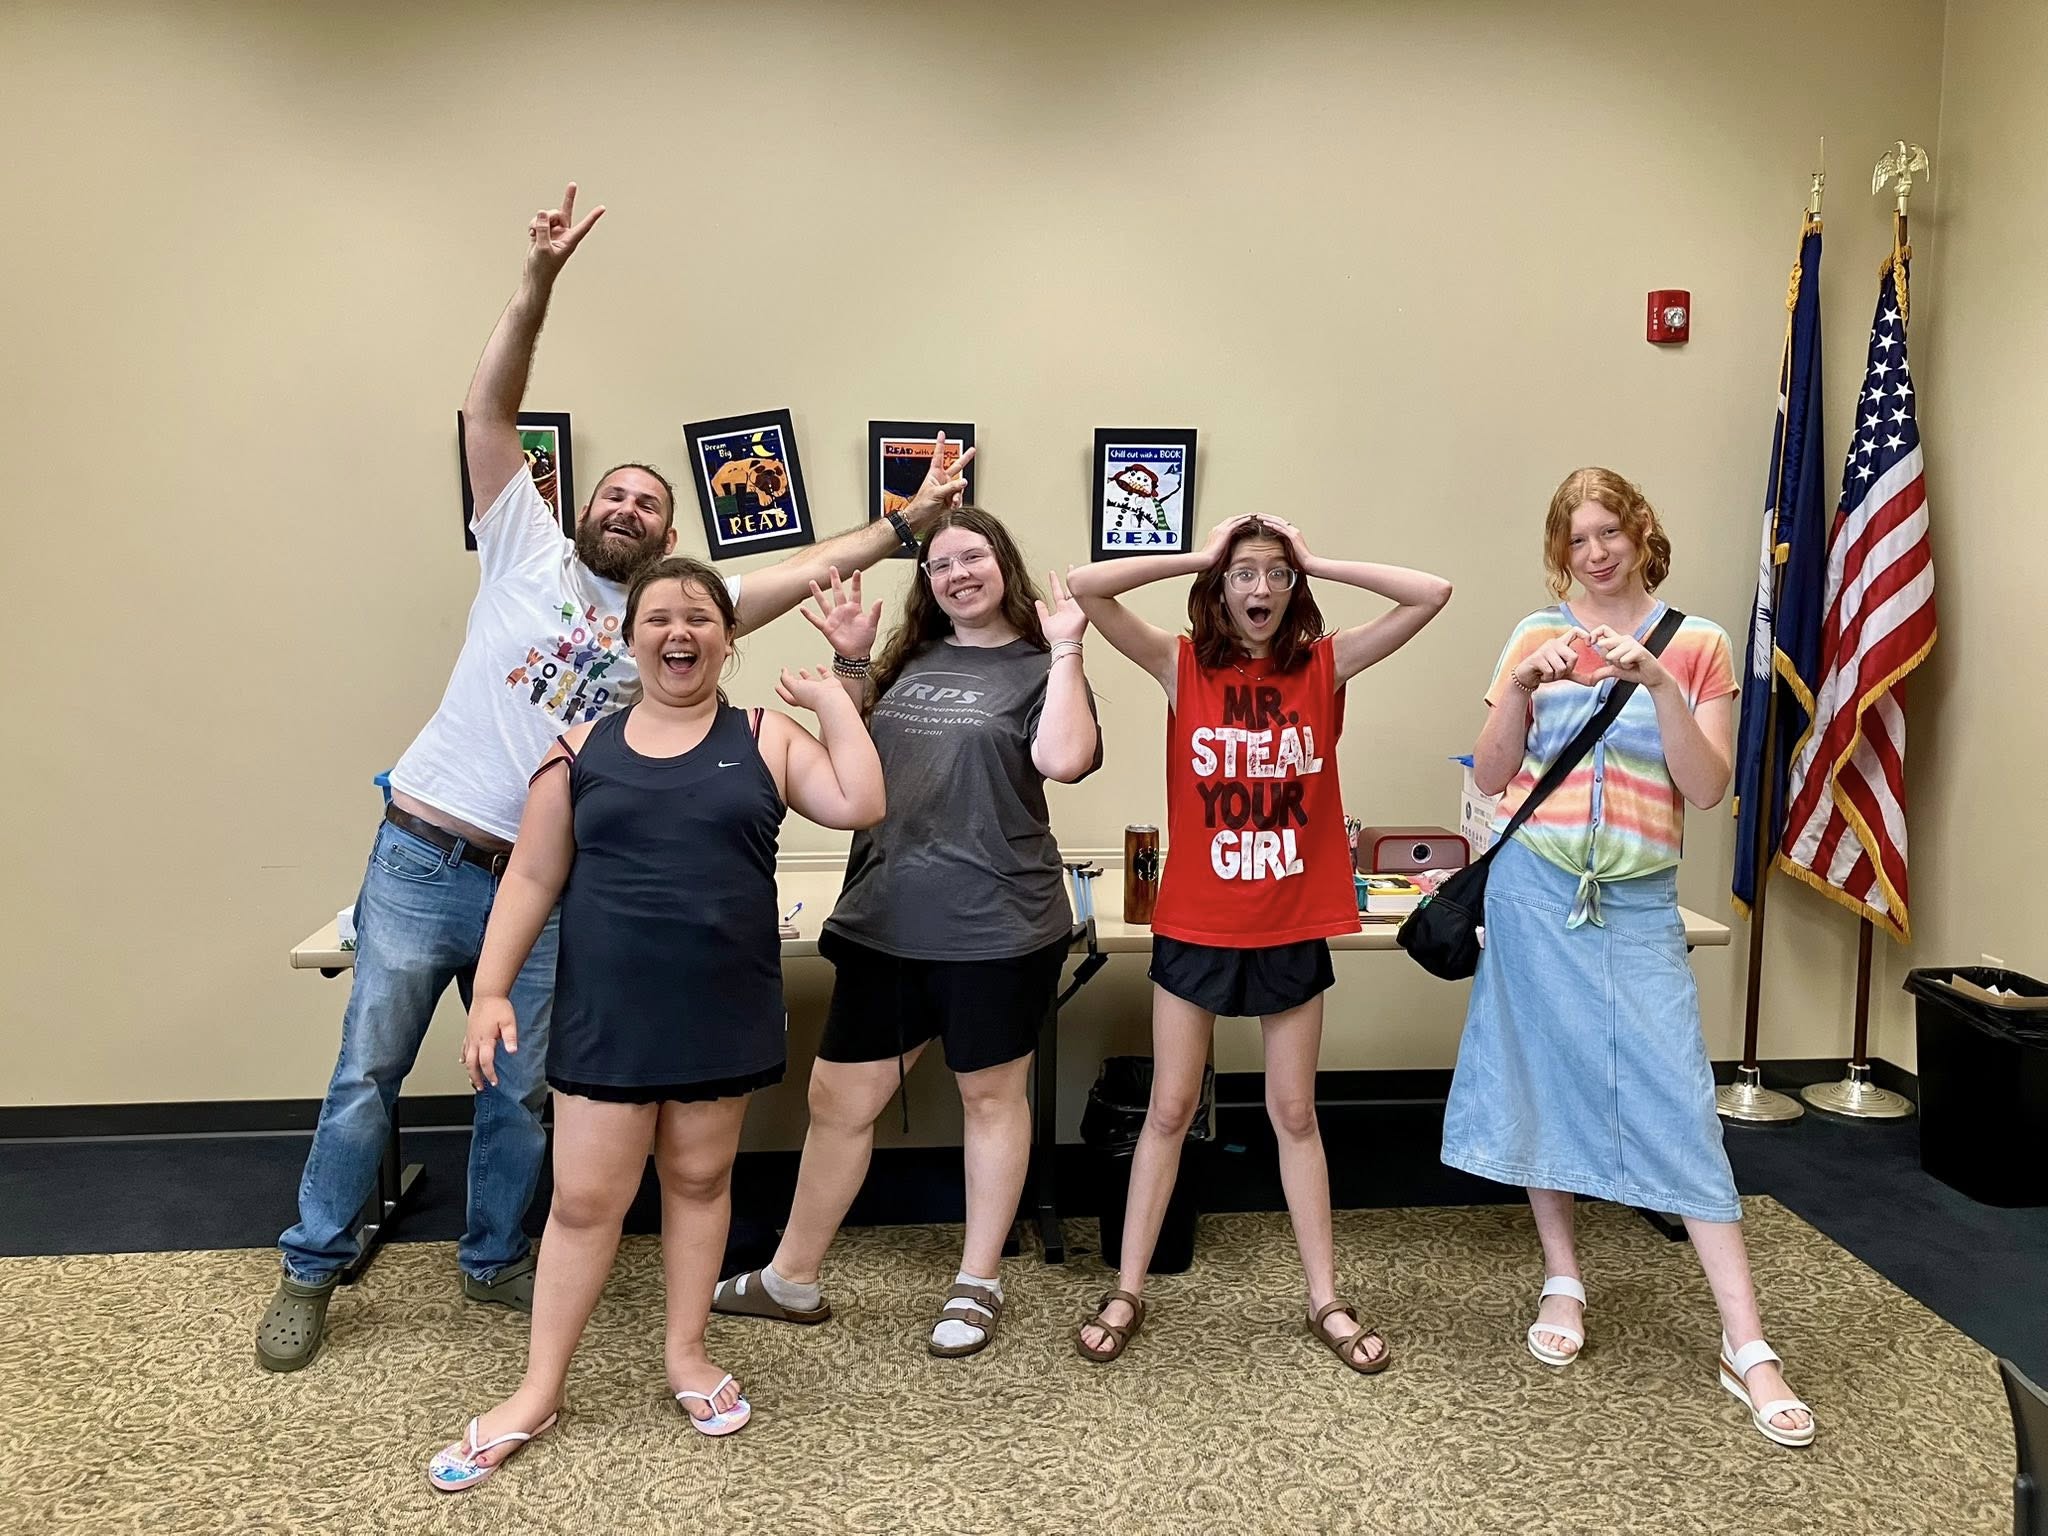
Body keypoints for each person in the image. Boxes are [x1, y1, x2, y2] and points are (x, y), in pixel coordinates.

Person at [256, 184, 971, 1373]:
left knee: (519, 1091)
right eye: (616, 492)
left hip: (551, 886)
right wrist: (536, 282)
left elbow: (809, 565)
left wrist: (905, 531)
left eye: (651, 503)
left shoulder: (673, 611)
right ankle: (311, 1267)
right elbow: (490, 402)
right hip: (428, 855)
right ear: (576, 503)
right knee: (366, 1073)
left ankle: (492, 1261)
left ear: (676, 556)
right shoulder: (521, 542)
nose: (628, 507)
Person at [425, 557, 886, 1490]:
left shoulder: (766, 736)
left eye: (702, 619)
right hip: (611, 1016)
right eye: (661, 619)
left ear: (729, 636)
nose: (681, 634)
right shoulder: (577, 748)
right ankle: (538, 1390)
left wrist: (844, 682)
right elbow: (531, 877)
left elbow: (861, 802)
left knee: (700, 1180)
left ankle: (687, 1356)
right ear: (629, 639)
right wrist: (491, 991)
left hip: (722, 1010)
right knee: (585, 1201)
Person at [1439, 466, 1815, 1448]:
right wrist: (1518, 686)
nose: (1593, 551)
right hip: (1530, 893)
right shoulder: (1532, 635)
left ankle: (1746, 1342)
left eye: (1607, 530)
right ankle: (1561, 1275)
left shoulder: (1697, 644)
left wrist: (1651, 681)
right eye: (1575, 536)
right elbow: (1485, 773)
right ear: (1558, 548)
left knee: (1678, 1101)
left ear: (1640, 532)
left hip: (1637, 903)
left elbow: (1703, 788)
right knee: (1538, 1082)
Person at [712, 508, 1101, 1357]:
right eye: (940, 563)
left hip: (998, 926)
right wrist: (852, 656)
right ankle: (791, 1278)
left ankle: (978, 1281)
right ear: (926, 582)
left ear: (1005, 564)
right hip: (886, 918)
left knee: (989, 1099)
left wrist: (1068, 643)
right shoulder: (910, 660)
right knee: (839, 1101)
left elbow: (1065, 760)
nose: (958, 572)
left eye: (975, 556)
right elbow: (849, 754)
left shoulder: (1043, 664)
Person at [1066, 515, 1451, 1372]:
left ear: (1294, 588)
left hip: (1290, 921)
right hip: (1197, 923)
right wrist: (1205, 552)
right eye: (1244, 574)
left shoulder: (1323, 665)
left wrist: (1315, 556)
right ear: (1220, 588)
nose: (1261, 588)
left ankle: (1325, 1298)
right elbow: (1086, 586)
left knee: (1294, 1114)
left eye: (1277, 575)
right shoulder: (1182, 664)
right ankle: (1128, 1285)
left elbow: (1432, 594)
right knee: (1169, 1110)